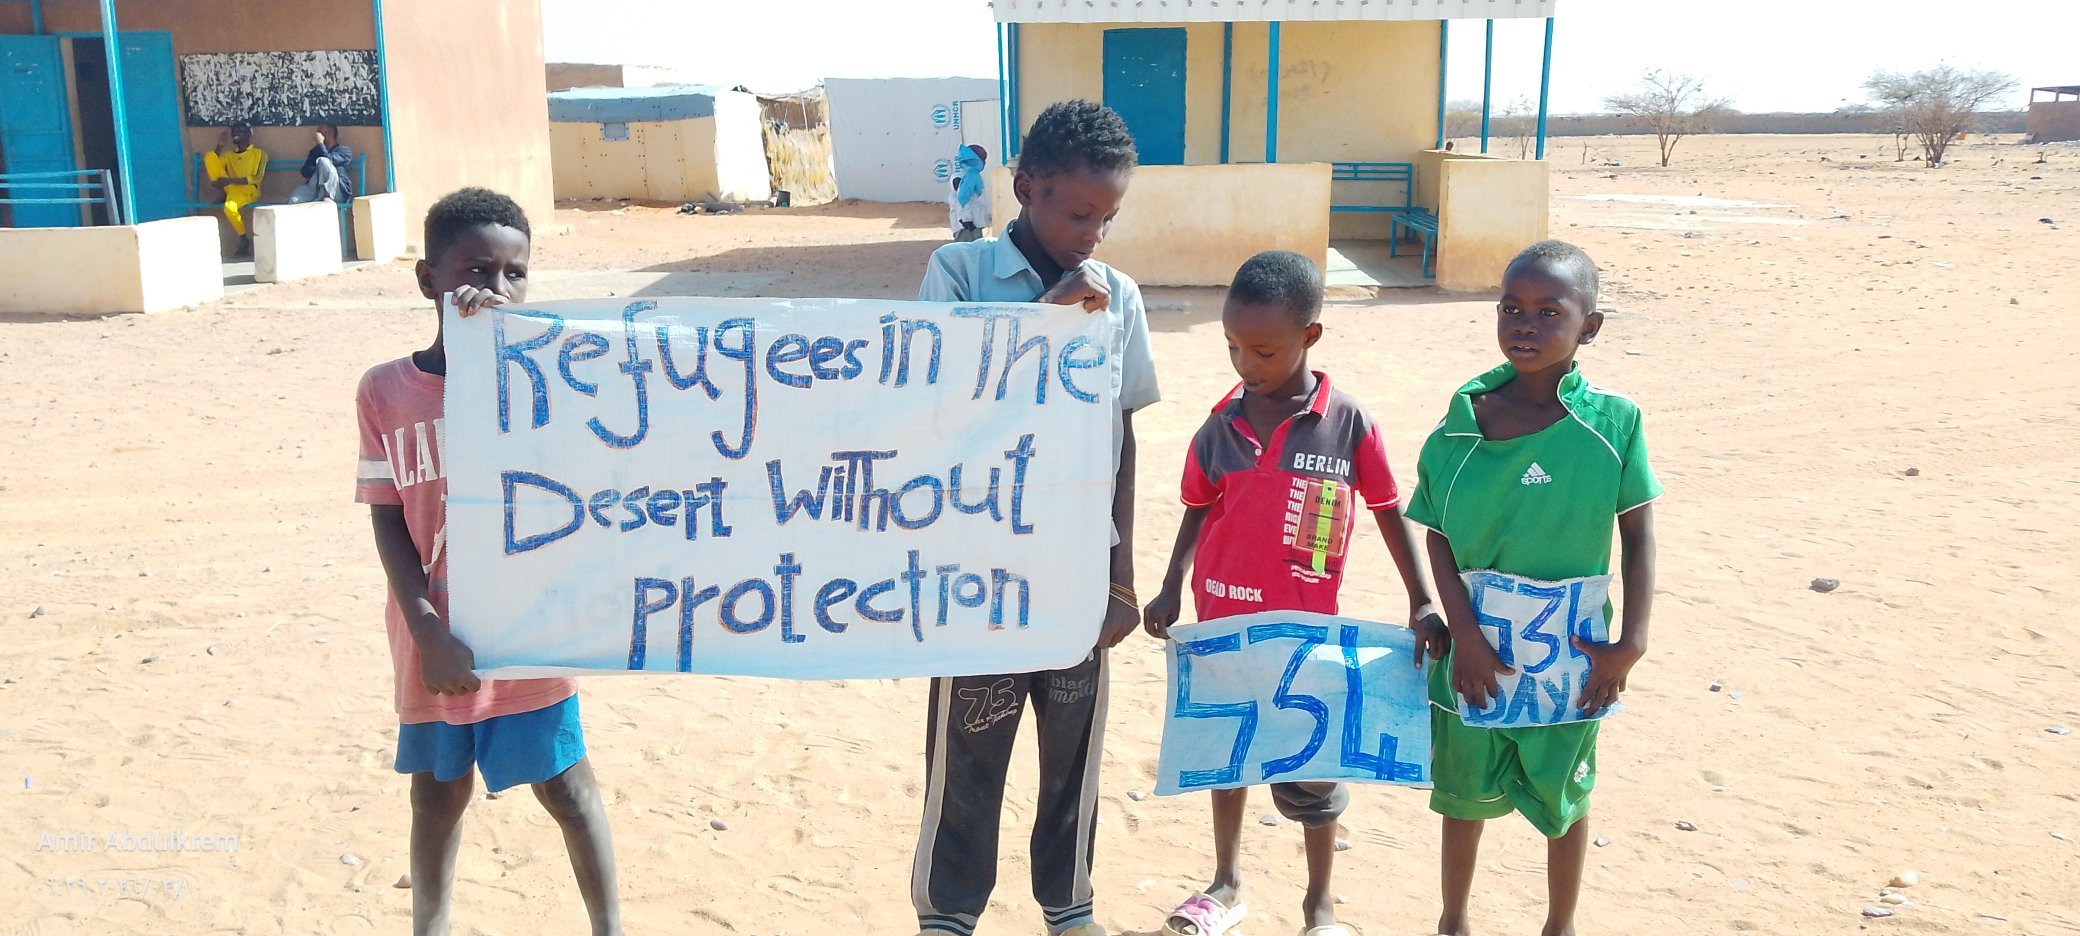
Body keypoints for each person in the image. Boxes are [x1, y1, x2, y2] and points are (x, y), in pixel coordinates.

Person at [1141, 250, 1448, 936]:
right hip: (1224, 619)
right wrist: (1169, 587)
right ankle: (1225, 883)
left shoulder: (1347, 423)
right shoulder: (1219, 424)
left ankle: (1320, 905)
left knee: (1316, 764)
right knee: (1228, 753)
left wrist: (1421, 599)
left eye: (1263, 350)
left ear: (1310, 336)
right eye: (1233, 347)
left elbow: (1388, 509)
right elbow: (1197, 506)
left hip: (1306, 630)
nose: (1245, 364)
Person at [909, 100, 1158, 936]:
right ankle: (949, 911)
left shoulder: (1119, 297)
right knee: (967, 752)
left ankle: (1070, 906)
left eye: (1107, 218)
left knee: (1073, 754)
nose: (1093, 234)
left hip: (1076, 567)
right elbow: (936, 411)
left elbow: (1121, 434)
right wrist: (1045, 322)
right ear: (1026, 189)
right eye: (1079, 213)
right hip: (977, 569)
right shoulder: (959, 273)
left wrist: (1120, 578)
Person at [356, 188, 623, 936]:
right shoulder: (386, 391)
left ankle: (609, 927)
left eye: (515, 273)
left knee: (566, 787)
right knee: (437, 792)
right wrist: (427, 632)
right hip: (432, 634)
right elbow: (387, 517)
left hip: (526, 626)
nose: (497, 288)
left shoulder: (544, 382)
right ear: (429, 280)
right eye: (476, 270)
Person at [1404, 240, 1660, 936]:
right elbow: (1439, 537)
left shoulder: (1613, 424)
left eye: (1550, 312)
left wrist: (1631, 642)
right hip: (1477, 655)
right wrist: (1466, 640)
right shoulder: (1460, 427)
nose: (1525, 324)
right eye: (1511, 308)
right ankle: (1453, 920)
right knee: (1464, 796)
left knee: (1565, 797)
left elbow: (1638, 534)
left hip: (1576, 659)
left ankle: (1560, 924)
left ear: (1589, 327)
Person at [203, 123, 265, 256]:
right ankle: (223, 191)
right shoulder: (229, 155)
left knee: (230, 207)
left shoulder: (259, 153)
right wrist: (220, 146)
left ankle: (243, 238)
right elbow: (216, 164)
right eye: (234, 132)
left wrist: (229, 181)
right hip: (230, 188)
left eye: (240, 131)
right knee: (209, 156)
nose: (236, 134)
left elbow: (257, 177)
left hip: (248, 190)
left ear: (248, 134)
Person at [289, 123, 355, 204]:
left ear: (330, 133)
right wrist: (314, 160)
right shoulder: (316, 151)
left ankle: (326, 196)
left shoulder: (344, 151)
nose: (317, 135)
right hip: (315, 189)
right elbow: (305, 173)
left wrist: (320, 143)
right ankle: (319, 196)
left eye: (320, 132)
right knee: (294, 200)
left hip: (335, 191)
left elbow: (328, 159)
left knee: (323, 161)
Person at [947, 143, 991, 242]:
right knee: (966, 250)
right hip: (967, 226)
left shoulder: (969, 175)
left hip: (972, 223)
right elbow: (963, 198)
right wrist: (966, 219)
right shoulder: (968, 176)